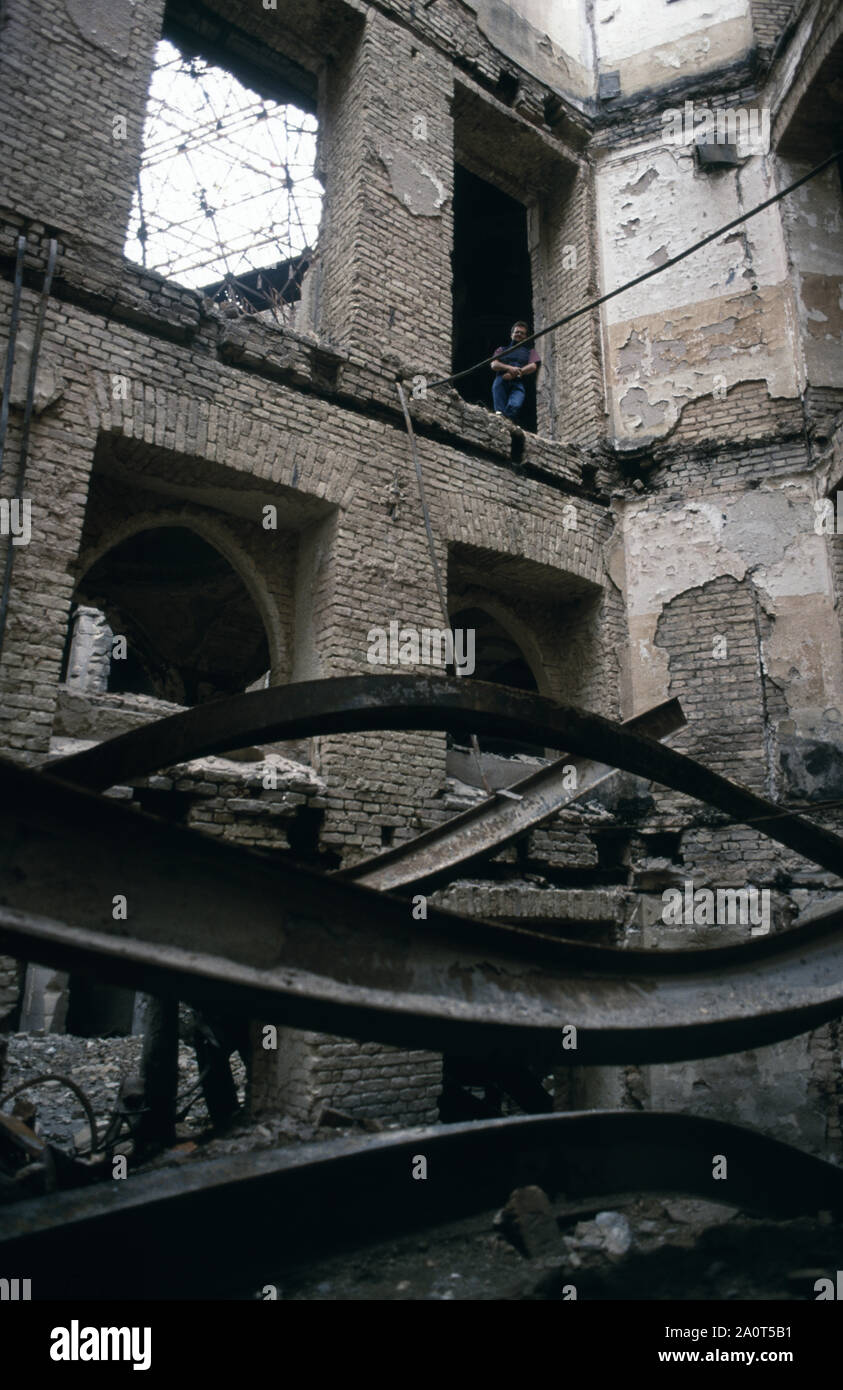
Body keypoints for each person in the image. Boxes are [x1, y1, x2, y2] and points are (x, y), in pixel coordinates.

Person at [491, 320, 541, 422]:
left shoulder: (530, 351)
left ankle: (508, 421)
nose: (519, 334)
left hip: (518, 382)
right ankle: (500, 420)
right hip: (501, 379)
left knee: (515, 404)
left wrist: (516, 373)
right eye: (517, 332)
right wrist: (510, 368)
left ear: (525, 337)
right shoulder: (501, 349)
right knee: (499, 409)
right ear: (511, 335)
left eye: (522, 333)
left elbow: (533, 366)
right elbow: (494, 364)